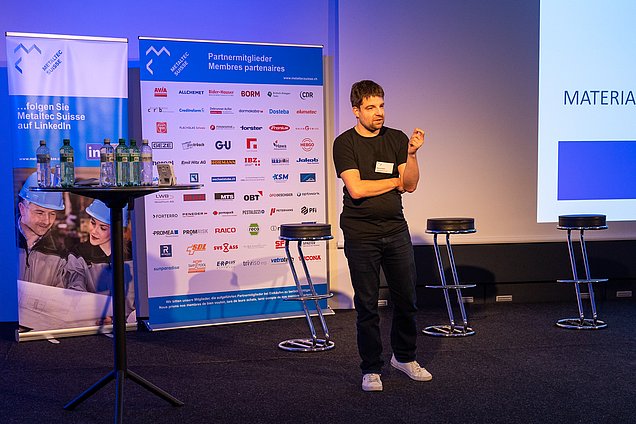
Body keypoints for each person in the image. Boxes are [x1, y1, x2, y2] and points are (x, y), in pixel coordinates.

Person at [333, 80, 430, 392]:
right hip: (361, 233)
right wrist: (394, 181)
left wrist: (411, 155)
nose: (379, 113)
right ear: (356, 111)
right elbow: (357, 189)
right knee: (367, 305)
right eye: (371, 107)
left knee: (407, 299)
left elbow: (410, 184)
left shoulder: (397, 138)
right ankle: (371, 368)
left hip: (395, 229)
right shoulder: (345, 143)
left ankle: (404, 357)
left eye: (382, 106)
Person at [65, 199, 136, 322]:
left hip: (132, 327)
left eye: (103, 228)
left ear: (118, 228)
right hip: (95, 325)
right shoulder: (79, 254)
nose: (94, 231)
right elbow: (75, 290)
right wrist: (92, 313)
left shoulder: (134, 253)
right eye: (93, 223)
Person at [17, 172, 67, 287]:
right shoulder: (5, 241)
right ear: (22, 209)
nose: (47, 221)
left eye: (52, 214)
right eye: (39, 213)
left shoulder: (60, 253)